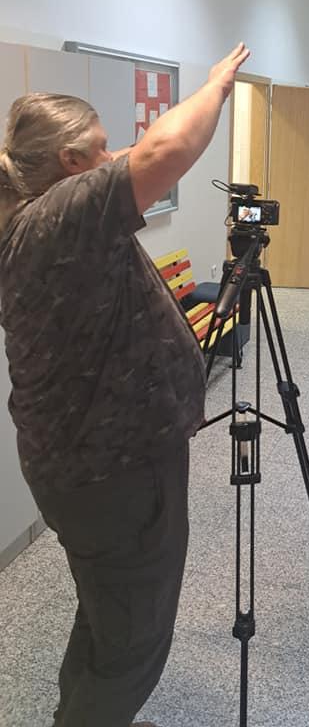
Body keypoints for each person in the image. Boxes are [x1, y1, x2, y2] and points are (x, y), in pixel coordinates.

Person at [0, 42, 251, 727]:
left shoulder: (41, 224)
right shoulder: (54, 220)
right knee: (134, 644)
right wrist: (216, 85)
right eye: (100, 147)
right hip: (115, 473)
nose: (113, 157)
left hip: (94, 467)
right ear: (69, 163)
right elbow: (165, 150)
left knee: (109, 615)